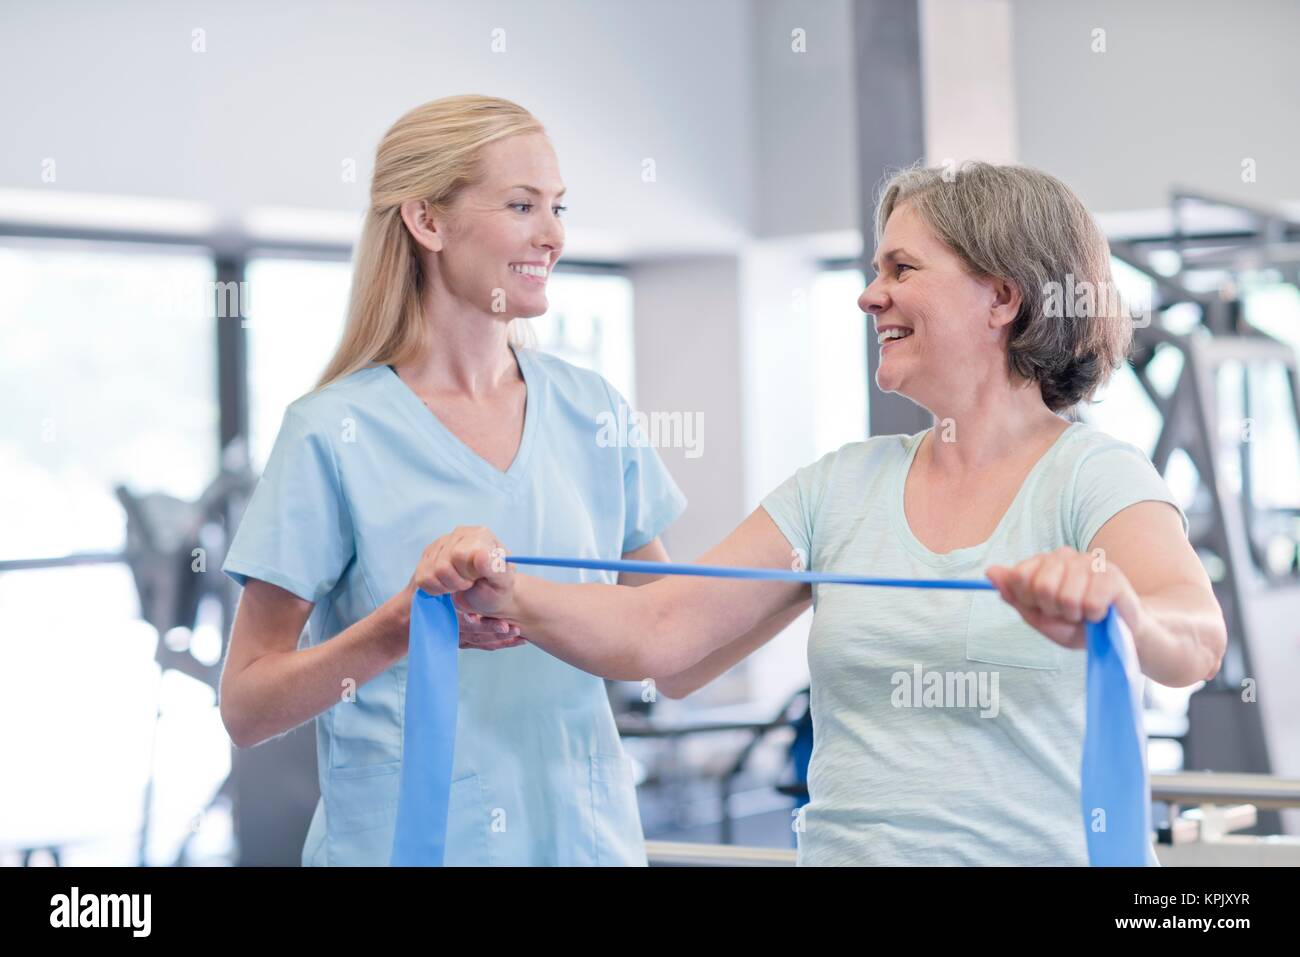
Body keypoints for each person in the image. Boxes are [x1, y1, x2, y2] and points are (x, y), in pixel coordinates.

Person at [415, 162, 1228, 866]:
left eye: (903, 268)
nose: (871, 295)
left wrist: (1121, 609)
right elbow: (665, 634)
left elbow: (1194, 638)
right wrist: (503, 585)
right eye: (876, 270)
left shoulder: (1091, 474)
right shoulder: (840, 485)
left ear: (1001, 297)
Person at [218, 94, 807, 866]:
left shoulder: (591, 409)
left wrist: (810, 576)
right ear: (426, 221)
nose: (553, 235)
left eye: (558, 206)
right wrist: (404, 625)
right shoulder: (331, 433)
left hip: (583, 844)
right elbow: (249, 705)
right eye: (522, 204)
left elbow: (677, 653)